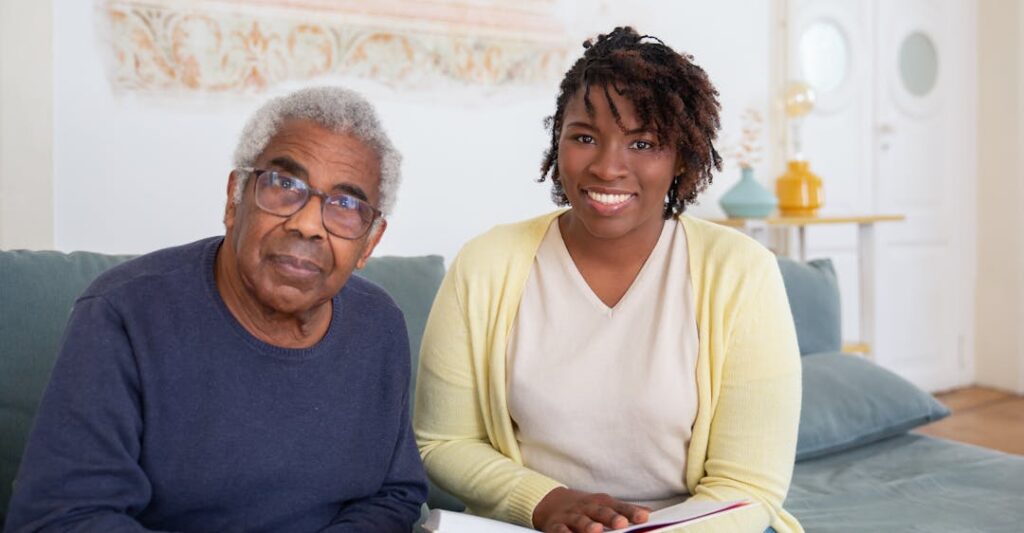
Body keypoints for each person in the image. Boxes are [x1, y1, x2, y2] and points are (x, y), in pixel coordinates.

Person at [414, 27, 802, 533]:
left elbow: (748, 488)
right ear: (559, 143)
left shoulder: (742, 272)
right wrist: (546, 502)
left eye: (643, 142)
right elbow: (443, 441)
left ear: (682, 158)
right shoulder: (486, 264)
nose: (607, 166)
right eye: (584, 137)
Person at [5, 87, 427, 532]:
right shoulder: (124, 315)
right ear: (234, 198)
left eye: (345, 205)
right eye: (285, 185)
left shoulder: (379, 325)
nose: (306, 224)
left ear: (370, 242)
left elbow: (394, 493)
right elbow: (61, 518)